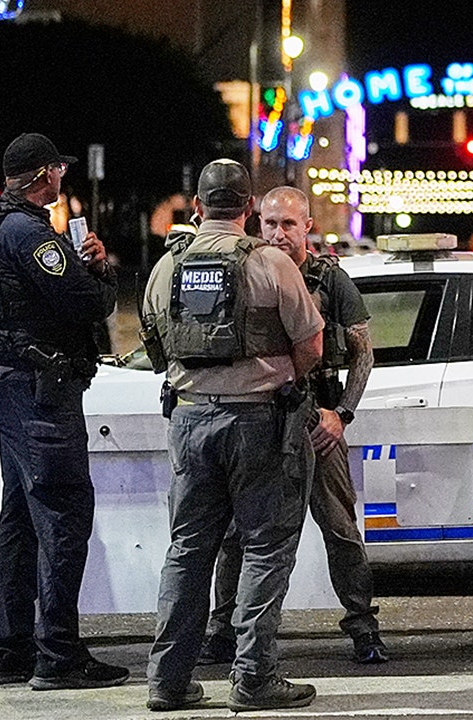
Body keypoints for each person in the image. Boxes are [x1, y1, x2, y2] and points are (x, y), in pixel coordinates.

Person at [141, 159, 324, 712]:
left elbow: (155, 344)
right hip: (258, 424)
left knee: (188, 551)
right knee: (266, 549)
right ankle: (254, 678)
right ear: (248, 209)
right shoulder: (271, 263)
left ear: (197, 208)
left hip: (190, 421)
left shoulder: (165, 267)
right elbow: (311, 346)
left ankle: (167, 682)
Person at [0, 132, 128, 690]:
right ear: (43, 176)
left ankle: (9, 649)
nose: (62, 178)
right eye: (57, 169)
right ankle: (58, 654)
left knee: (19, 515)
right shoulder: (32, 233)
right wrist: (101, 271)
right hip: (40, 391)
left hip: (7, 386)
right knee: (63, 514)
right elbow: (86, 303)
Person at [199, 186, 387, 666]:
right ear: (256, 223)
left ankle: (363, 627)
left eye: (288, 224)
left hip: (318, 423)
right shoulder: (247, 270)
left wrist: (341, 414)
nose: (279, 234)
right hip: (261, 421)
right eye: (270, 223)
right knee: (239, 535)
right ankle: (224, 631)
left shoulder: (330, 279)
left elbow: (363, 353)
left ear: (307, 226)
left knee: (341, 531)